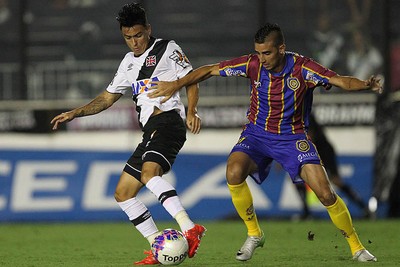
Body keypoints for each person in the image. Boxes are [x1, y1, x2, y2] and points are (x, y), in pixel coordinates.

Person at [149, 23, 382, 262]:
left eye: (267, 53)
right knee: (233, 171)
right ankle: (254, 234)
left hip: (293, 138)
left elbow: (339, 80)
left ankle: (357, 247)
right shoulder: (251, 64)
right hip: (257, 135)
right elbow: (209, 70)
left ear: (282, 48)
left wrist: (365, 84)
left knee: (325, 193)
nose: (262, 58)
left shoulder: (303, 68)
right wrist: (176, 85)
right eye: (258, 52)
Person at [50, 3, 206, 265]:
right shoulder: (127, 63)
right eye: (128, 37)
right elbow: (108, 98)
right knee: (123, 193)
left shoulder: (167, 48)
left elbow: (191, 78)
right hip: (150, 132)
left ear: (148, 29)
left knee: (149, 174)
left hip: (168, 123)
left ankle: (190, 227)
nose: (134, 42)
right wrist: (75, 112)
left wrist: (193, 111)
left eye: (138, 35)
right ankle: (158, 247)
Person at [295, 113, 370, 219]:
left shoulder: (304, 113)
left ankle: (364, 207)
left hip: (323, 151)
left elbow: (311, 135)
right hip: (307, 152)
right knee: (298, 178)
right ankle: (306, 212)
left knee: (335, 180)